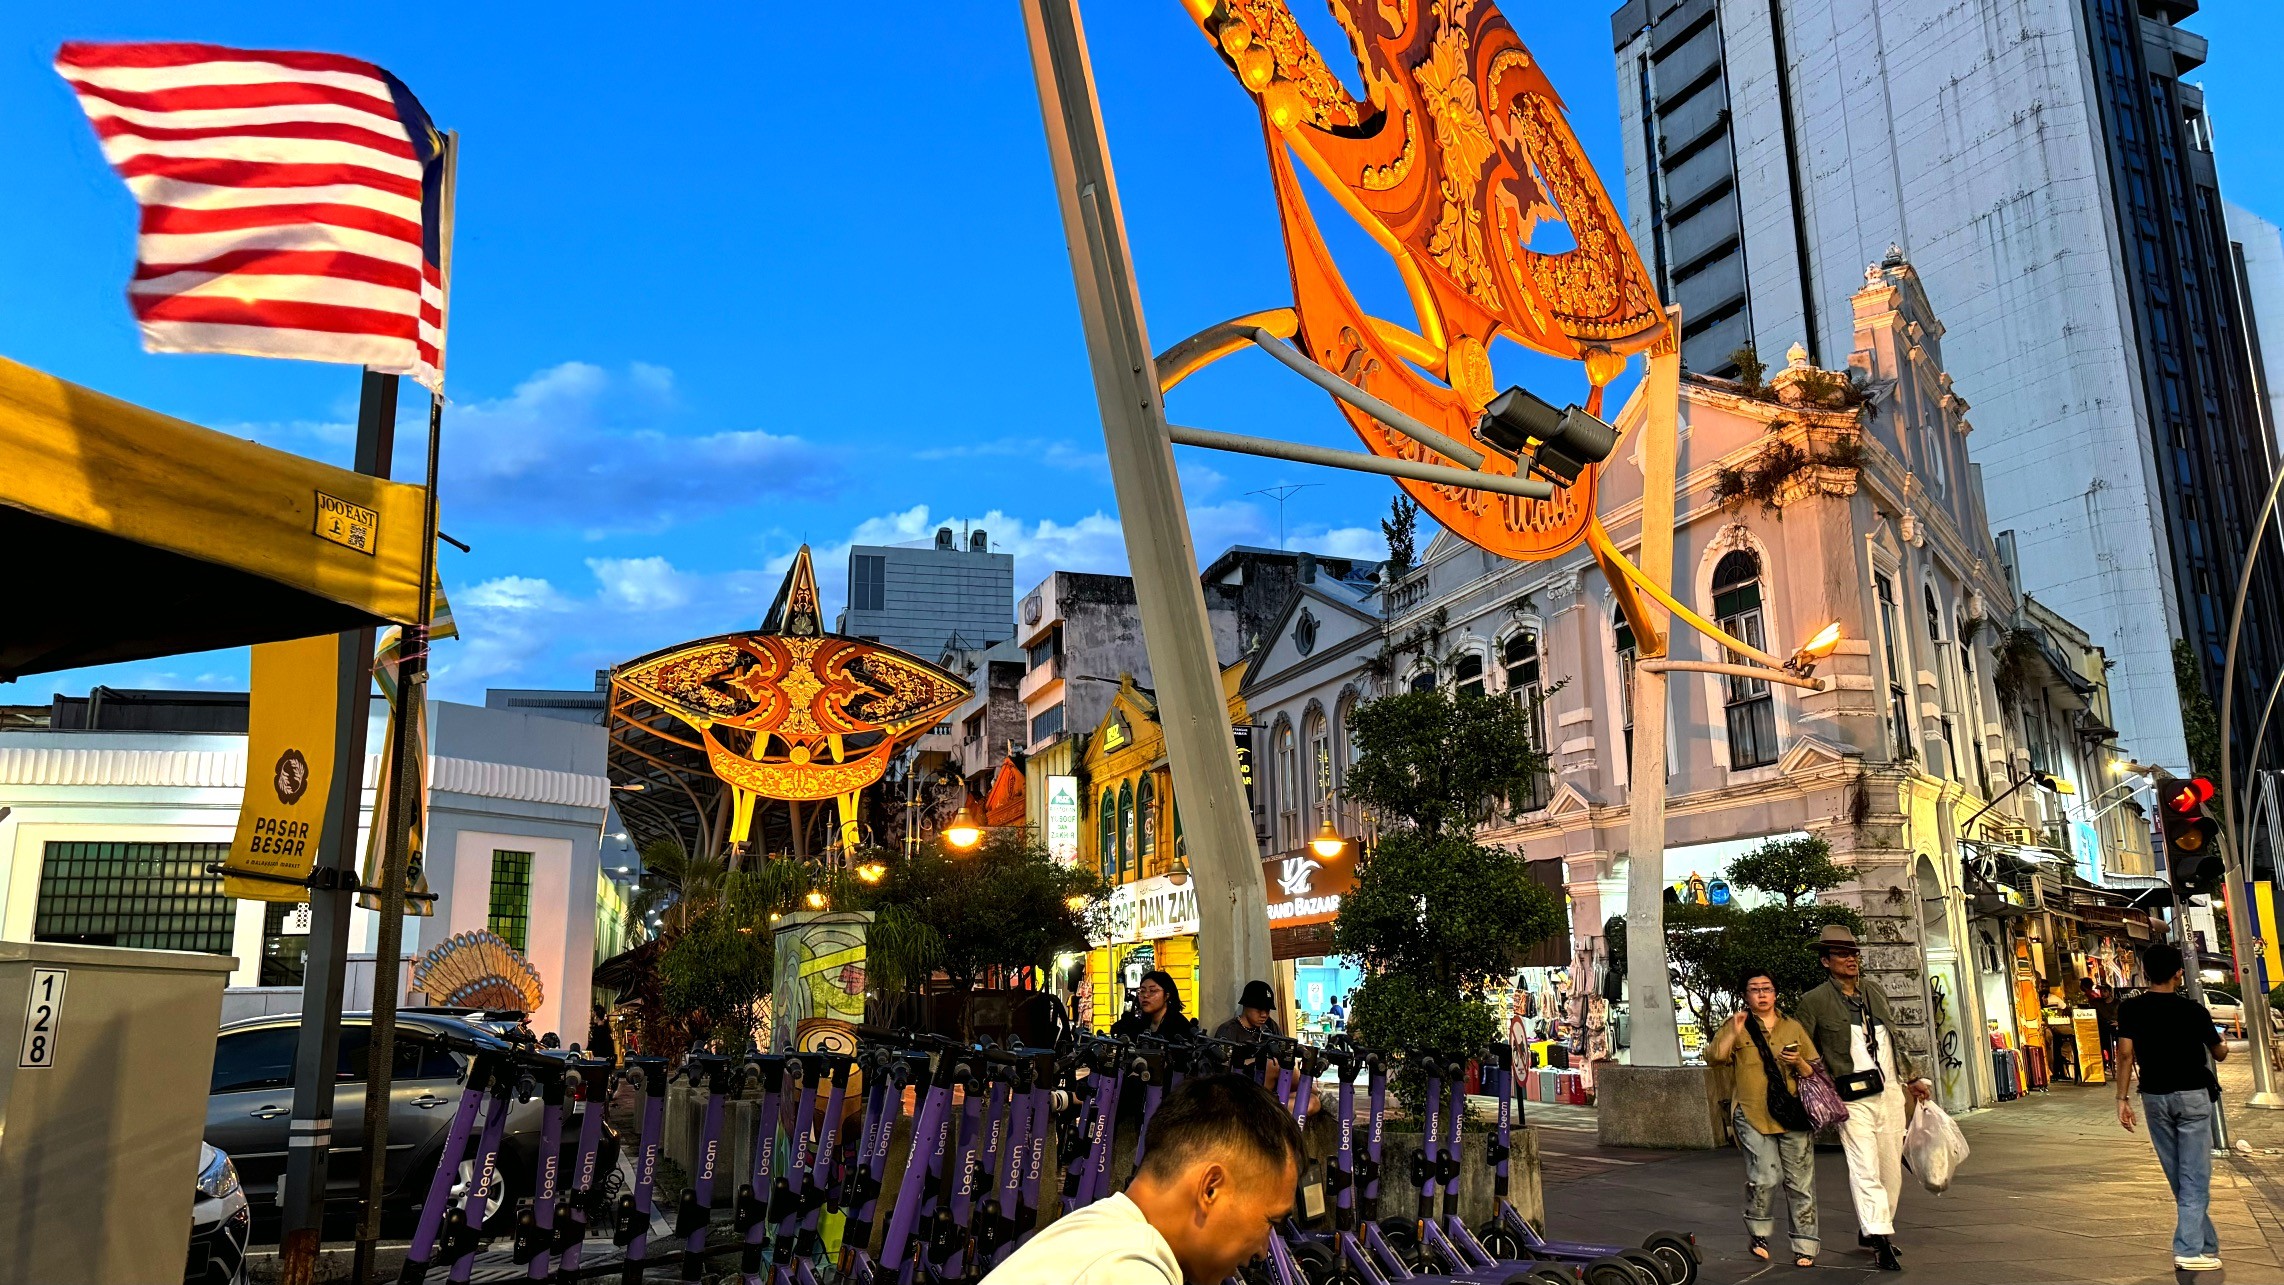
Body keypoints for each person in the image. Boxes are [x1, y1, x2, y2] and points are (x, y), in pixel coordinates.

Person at [980, 1072, 1303, 1284]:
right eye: (1269, 1222)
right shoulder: (1128, 1270)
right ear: (1211, 1188)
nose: (1264, 1250)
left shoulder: (1098, 1230)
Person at [1794, 924, 1929, 1272]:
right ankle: (1880, 1237)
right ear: (1825, 961)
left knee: (1890, 1171)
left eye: (1853, 953)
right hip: (1850, 1098)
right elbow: (1803, 1050)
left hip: (1890, 1092)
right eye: (1842, 954)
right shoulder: (1814, 1001)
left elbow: (1893, 1037)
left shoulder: (1874, 991)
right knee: (1864, 1167)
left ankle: (1872, 1226)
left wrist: (1912, 1078)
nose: (1851, 959)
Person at [2116, 941, 2225, 1273]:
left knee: (2178, 1171)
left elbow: (2125, 1054)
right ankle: (2189, 1249)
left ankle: (2205, 1243)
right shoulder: (2194, 1010)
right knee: (2195, 1174)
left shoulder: (2131, 1009)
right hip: (2192, 1095)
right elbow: (2219, 1052)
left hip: (2154, 1096)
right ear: (2179, 972)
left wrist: (2121, 1099)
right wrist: (2219, 1044)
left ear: (2145, 972)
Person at [1706, 968, 1819, 1268]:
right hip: (1751, 1112)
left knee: (1800, 1184)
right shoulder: (1737, 1025)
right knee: (1765, 1177)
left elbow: (1814, 1071)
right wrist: (1733, 1030)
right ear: (1746, 995)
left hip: (1792, 1114)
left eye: (1766, 988)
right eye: (1754, 989)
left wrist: (1799, 1063)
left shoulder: (1792, 1027)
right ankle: (1759, 1233)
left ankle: (1805, 1245)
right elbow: (1715, 1058)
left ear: (1775, 993)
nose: (1761, 994)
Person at [1112, 970, 1195, 1039]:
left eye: (1152, 991)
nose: (1145, 995)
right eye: (1142, 991)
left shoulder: (1179, 1027)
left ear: (1166, 996)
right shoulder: (1138, 1023)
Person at [1213, 979, 1284, 1043]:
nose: (1264, 1015)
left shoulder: (1270, 1025)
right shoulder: (1229, 1030)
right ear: (1246, 1005)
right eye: (1259, 1009)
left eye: (1267, 1010)